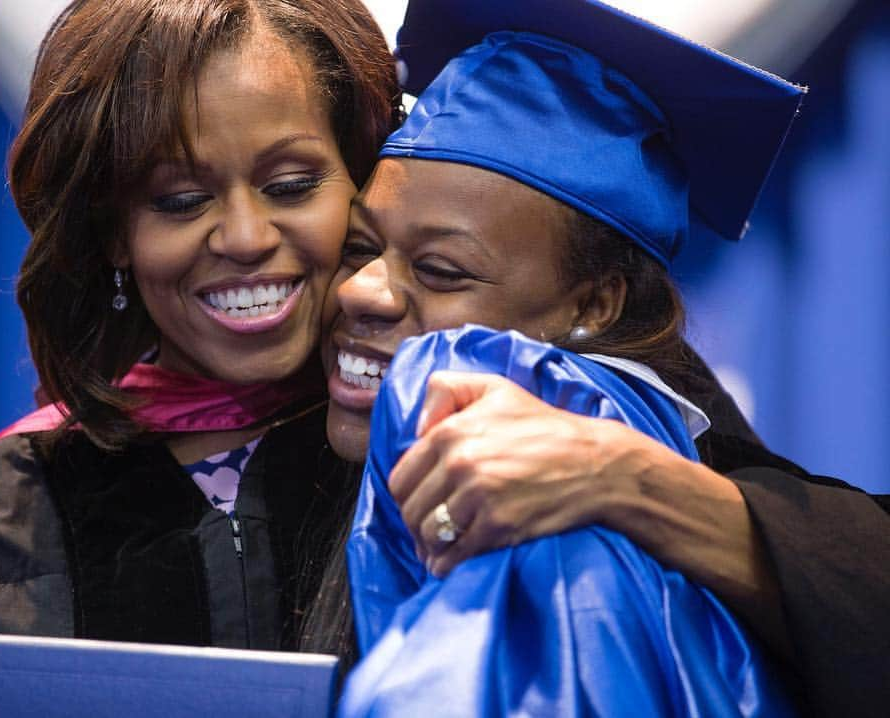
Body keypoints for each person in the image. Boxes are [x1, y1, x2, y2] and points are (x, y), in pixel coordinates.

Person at [311, 1, 890, 715]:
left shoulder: (564, 510)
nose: (361, 291)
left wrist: (637, 484)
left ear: (593, 307)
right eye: (361, 247)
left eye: (442, 270)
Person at [0, 0, 400, 648]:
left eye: (290, 185)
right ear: (115, 230)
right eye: (180, 200)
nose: (245, 236)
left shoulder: (436, 481)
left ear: (365, 185)